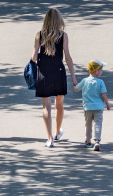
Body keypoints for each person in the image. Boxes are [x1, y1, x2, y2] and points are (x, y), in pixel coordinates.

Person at [31, 7, 77, 147]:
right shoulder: (63, 36)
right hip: (58, 71)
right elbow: (68, 58)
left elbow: (33, 58)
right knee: (59, 104)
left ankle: (49, 138)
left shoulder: (39, 35)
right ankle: (57, 131)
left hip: (43, 72)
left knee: (46, 107)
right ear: (59, 20)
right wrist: (74, 77)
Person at [74, 60, 111, 151]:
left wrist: (75, 85)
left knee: (88, 124)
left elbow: (77, 89)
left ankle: (88, 141)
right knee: (98, 124)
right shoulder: (100, 82)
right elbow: (103, 95)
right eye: (101, 69)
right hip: (98, 107)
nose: (101, 71)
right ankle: (97, 141)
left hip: (88, 108)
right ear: (96, 71)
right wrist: (107, 104)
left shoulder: (84, 81)